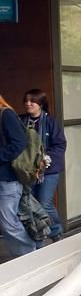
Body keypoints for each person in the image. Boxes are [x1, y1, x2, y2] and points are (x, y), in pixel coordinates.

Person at [21, 89, 67, 242]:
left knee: (44, 202)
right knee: (31, 202)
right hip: (28, 170)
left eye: (32, 101)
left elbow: (60, 145)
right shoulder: (22, 121)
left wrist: (45, 159)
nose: (28, 104)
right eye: (26, 101)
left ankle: (56, 231)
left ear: (40, 104)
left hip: (48, 170)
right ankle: (38, 232)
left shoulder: (50, 122)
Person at [0, 94, 34, 257]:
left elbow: (19, 143)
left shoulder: (5, 114)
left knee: (8, 223)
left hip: (7, 179)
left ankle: (28, 256)